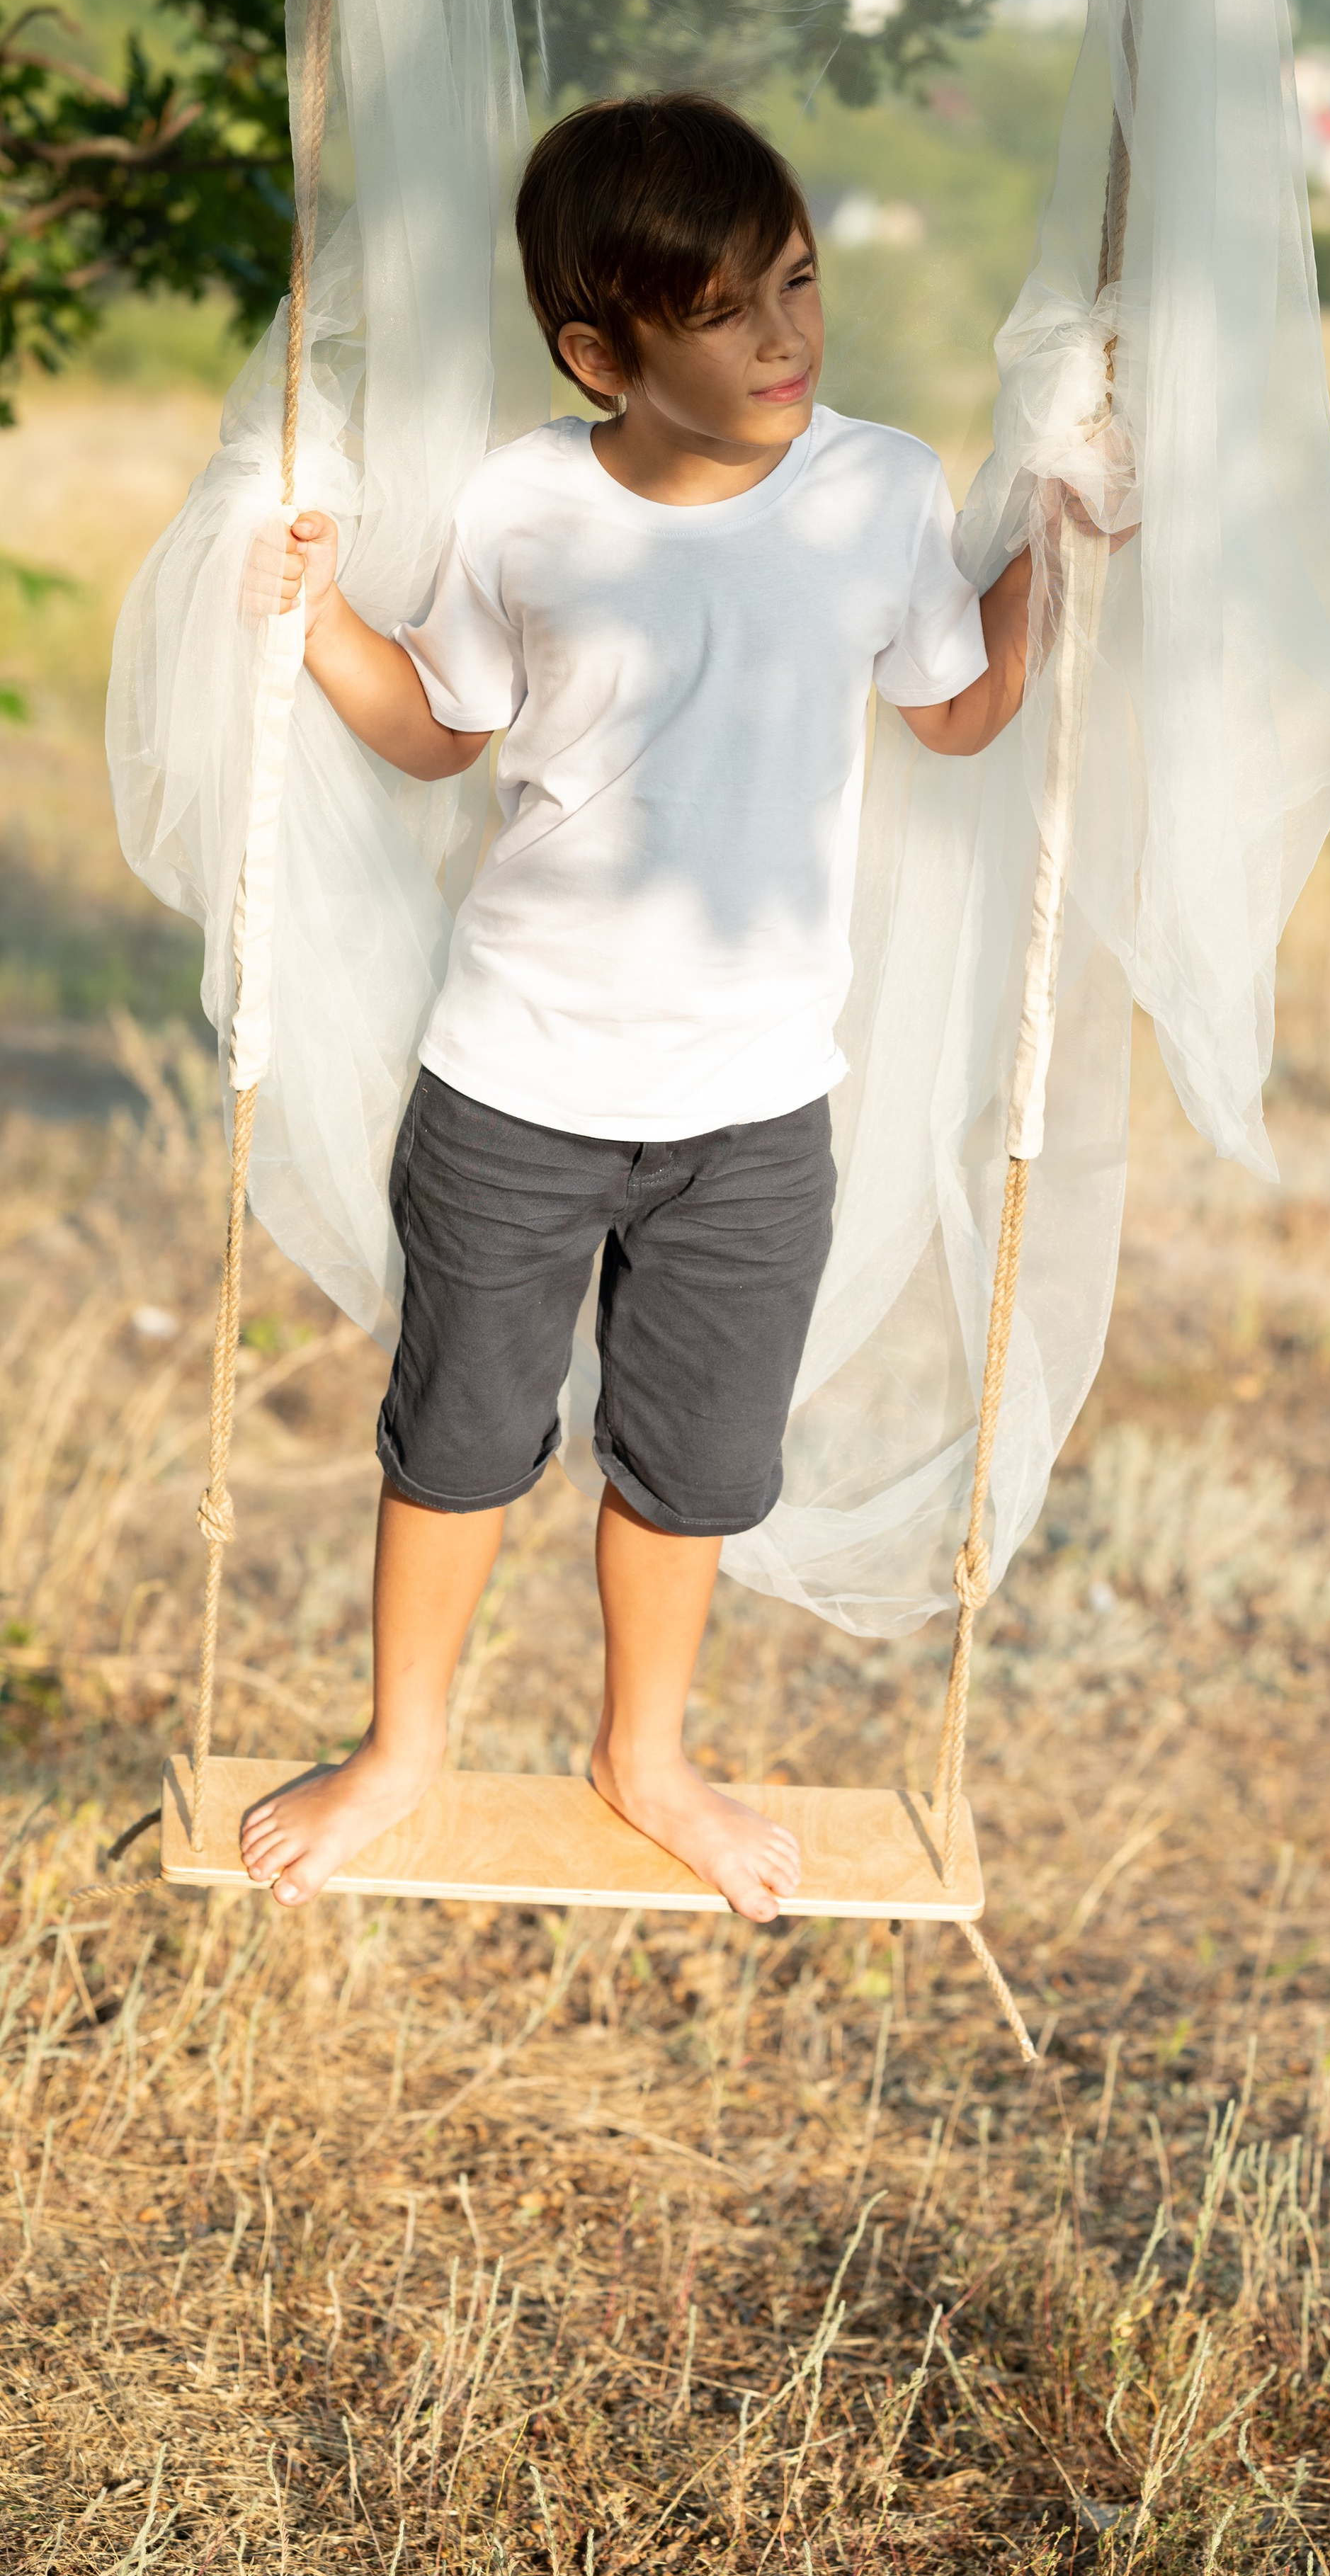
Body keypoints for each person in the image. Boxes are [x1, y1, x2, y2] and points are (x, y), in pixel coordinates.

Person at [237, 92, 1040, 1920]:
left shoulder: (876, 488)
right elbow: (445, 724)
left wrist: (1054, 552)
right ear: (603, 349)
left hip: (754, 1100)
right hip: (515, 1066)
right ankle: (403, 1743)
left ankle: (645, 1750)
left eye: (801, 284)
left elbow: (957, 704)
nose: (787, 337)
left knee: (694, 1459)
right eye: (733, 311)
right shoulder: (526, 499)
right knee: (457, 1432)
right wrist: (314, 621)